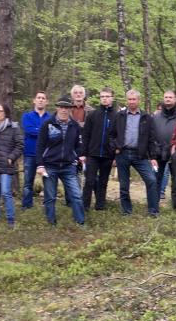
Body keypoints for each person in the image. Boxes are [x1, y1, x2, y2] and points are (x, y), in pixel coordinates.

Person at [109, 89, 160, 216]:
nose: (131, 102)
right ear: (127, 100)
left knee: (151, 180)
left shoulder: (146, 117)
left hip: (140, 155)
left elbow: (152, 138)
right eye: (129, 99)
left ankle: (153, 211)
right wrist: (115, 147)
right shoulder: (119, 116)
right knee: (124, 185)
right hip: (123, 153)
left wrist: (153, 157)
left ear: (139, 100)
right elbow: (111, 135)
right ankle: (126, 211)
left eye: (134, 99)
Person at [37, 96, 86, 226]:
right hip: (50, 166)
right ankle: (51, 223)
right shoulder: (47, 124)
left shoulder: (75, 125)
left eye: (67, 107)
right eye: (62, 107)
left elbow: (78, 145)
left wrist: (79, 156)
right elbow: (40, 146)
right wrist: (40, 165)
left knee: (76, 195)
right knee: (50, 197)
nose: (64, 110)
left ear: (70, 109)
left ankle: (80, 222)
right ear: (57, 107)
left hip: (68, 166)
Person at [0, 103, 23, 228]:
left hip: (6, 166)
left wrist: (11, 158)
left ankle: (10, 219)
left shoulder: (13, 127)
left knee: (6, 192)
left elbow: (20, 145)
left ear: (6, 112)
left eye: (0, 111)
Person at [81, 88, 116, 210]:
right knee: (89, 181)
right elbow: (86, 135)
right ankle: (84, 206)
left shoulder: (117, 116)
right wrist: (84, 153)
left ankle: (100, 206)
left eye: (107, 96)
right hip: (92, 154)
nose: (104, 98)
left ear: (112, 98)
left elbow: (118, 136)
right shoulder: (93, 115)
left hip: (108, 155)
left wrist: (115, 155)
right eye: (102, 96)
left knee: (103, 182)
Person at [20, 91, 50, 209]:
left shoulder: (51, 117)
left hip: (47, 154)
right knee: (28, 181)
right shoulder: (26, 116)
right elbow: (29, 130)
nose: (41, 100)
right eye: (38, 98)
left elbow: (52, 133)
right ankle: (27, 205)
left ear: (46, 101)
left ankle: (48, 204)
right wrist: (44, 132)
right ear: (34, 100)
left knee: (48, 181)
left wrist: (38, 130)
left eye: (43, 98)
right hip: (30, 153)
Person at [151, 90, 176, 200]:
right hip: (158, 153)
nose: (168, 99)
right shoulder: (156, 117)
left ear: (175, 99)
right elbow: (151, 135)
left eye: (170, 97)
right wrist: (152, 154)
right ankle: (154, 207)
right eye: (166, 97)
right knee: (155, 179)